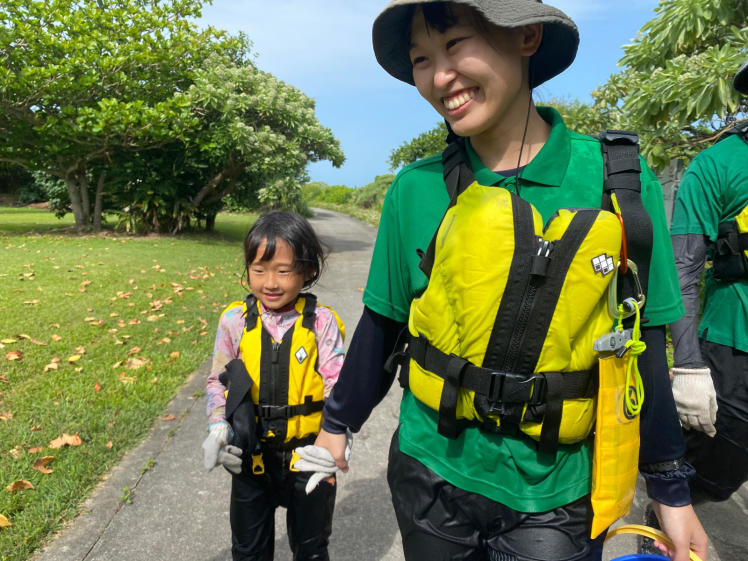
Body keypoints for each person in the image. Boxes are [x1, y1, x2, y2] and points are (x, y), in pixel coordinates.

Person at [313, 1, 710, 560]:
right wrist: (336, 427)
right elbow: (384, 325)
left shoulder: (616, 181)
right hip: (430, 472)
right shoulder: (416, 189)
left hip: (558, 493)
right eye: (421, 59)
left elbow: (642, 345)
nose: (438, 76)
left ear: (526, 38)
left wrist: (671, 489)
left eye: (454, 45)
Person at [201, 210, 345, 561]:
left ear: (307, 270)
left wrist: (339, 437)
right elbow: (217, 379)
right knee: (248, 551)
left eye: (283, 271)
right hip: (253, 461)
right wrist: (218, 428)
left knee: (312, 550)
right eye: (259, 270)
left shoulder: (322, 323)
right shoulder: (234, 321)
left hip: (309, 458)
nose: (270, 282)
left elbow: (337, 384)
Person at [668, 59, 748, 504]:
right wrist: (689, 365)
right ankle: (664, 531)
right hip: (733, 348)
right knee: (710, 479)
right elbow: (683, 268)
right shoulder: (716, 166)